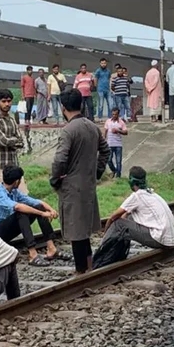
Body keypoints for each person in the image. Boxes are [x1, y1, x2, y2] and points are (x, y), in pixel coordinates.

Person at [50, 89, 110, 274]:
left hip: (71, 185)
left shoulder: (68, 131)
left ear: (62, 107)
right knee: (84, 230)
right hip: (88, 184)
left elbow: (60, 159)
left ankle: (80, 270)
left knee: (76, 230)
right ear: (81, 104)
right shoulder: (92, 126)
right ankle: (89, 267)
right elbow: (105, 151)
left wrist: (55, 179)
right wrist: (97, 172)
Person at [93, 166, 174, 269]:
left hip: (159, 239)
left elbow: (113, 217)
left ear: (131, 181)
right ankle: (117, 254)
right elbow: (126, 215)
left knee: (119, 223)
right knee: (128, 219)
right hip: (170, 239)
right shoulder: (152, 194)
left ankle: (101, 253)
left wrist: (105, 234)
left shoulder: (137, 196)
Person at [0, 165, 67, 266]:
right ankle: (32, 254)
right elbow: (18, 207)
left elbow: (35, 202)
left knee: (38, 207)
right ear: (17, 181)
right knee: (21, 213)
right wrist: (43, 213)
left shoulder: (14, 192)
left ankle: (51, 249)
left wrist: (50, 209)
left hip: (6, 228)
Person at [0, 89, 28, 193]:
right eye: (4, 101)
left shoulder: (12, 120)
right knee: (1, 201)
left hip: (14, 167)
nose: (7, 104)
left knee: (24, 198)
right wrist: (14, 141)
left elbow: (21, 142)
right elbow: (3, 141)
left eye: (9, 101)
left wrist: (12, 141)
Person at [104, 108, 128, 178]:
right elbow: (105, 131)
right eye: (113, 114)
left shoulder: (121, 122)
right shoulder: (108, 121)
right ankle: (114, 170)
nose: (114, 116)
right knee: (108, 160)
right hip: (110, 144)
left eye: (115, 114)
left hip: (118, 145)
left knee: (118, 161)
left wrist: (118, 131)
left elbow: (126, 132)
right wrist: (104, 140)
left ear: (118, 114)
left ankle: (118, 176)